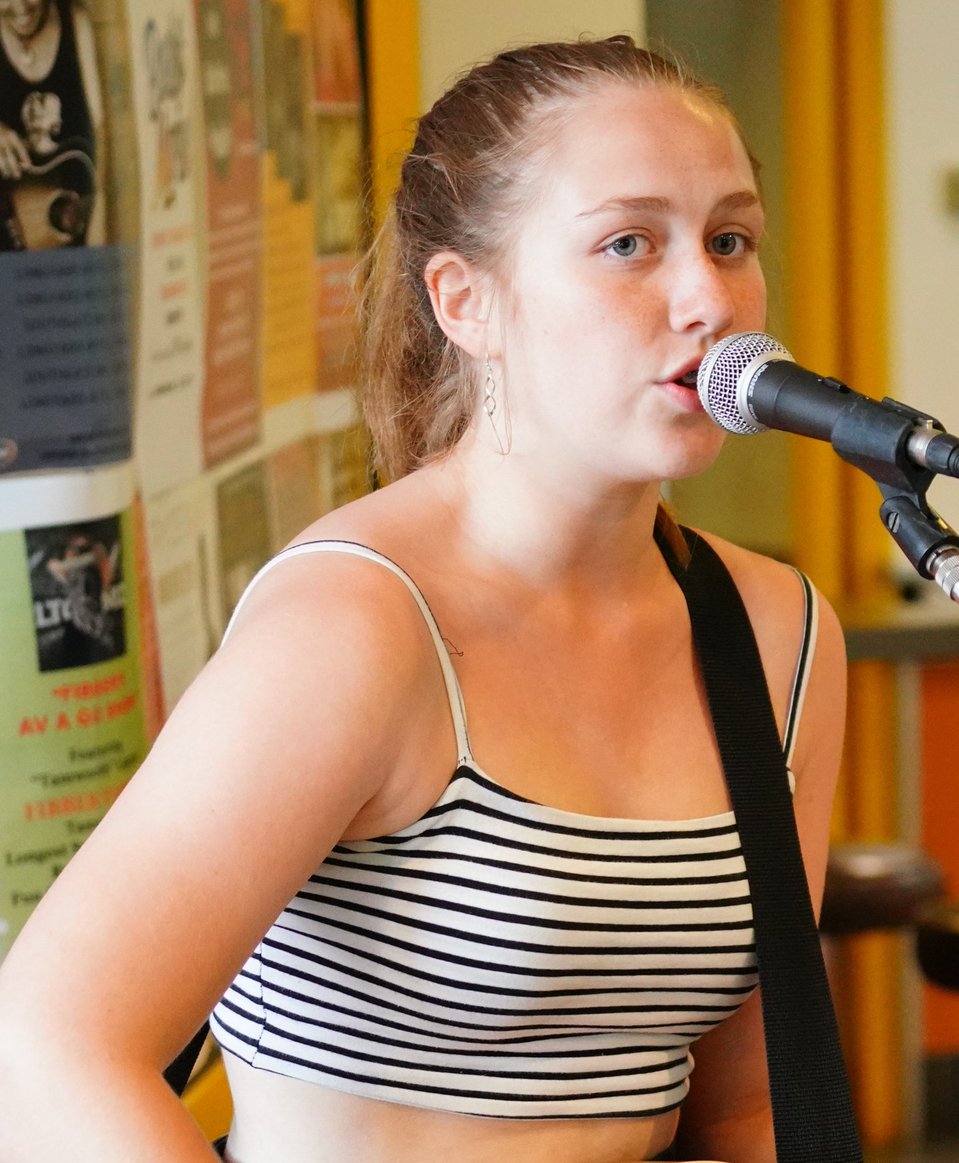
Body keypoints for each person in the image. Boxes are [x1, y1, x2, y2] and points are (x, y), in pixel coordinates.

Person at [0, 35, 847, 1163]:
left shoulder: (776, 636)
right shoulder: (360, 627)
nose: (708, 295)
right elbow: (47, 1046)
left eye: (730, 239)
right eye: (629, 243)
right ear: (466, 301)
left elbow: (747, 1109)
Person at [0, 0, 105, 248]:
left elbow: (103, 135)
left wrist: (98, 231)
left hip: (74, 234)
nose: (20, 6)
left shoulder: (76, 23)